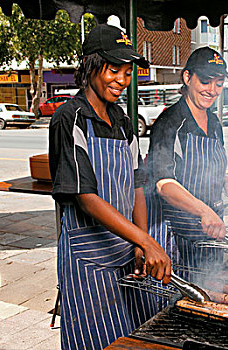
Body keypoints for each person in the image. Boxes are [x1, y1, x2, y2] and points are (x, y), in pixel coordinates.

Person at [48, 23, 171, 350]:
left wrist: (140, 243)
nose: (122, 80)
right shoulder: (70, 118)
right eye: (114, 69)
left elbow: (137, 186)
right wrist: (145, 239)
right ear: (90, 65)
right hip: (87, 259)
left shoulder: (123, 122)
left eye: (128, 72)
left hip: (124, 251)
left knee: (134, 337)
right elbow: (86, 198)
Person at [147, 47, 228, 273]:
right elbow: (163, 183)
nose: (212, 90)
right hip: (179, 236)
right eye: (206, 81)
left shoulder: (215, 122)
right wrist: (204, 212)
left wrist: (224, 178)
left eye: (218, 84)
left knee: (213, 286)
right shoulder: (169, 122)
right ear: (187, 77)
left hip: (212, 230)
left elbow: (204, 162)